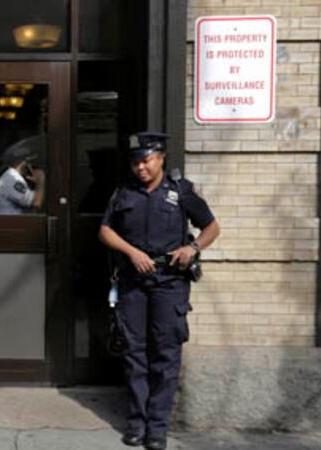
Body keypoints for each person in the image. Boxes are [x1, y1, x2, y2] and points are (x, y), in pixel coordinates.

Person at [98, 131, 220, 450]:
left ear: (161, 158)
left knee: (165, 354)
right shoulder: (124, 191)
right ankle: (136, 424)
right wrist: (131, 252)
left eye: (147, 160)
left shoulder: (180, 191)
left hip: (170, 283)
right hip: (133, 283)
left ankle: (157, 428)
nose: (141, 168)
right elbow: (105, 231)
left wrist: (192, 248)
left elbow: (212, 227)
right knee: (134, 353)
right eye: (135, 163)